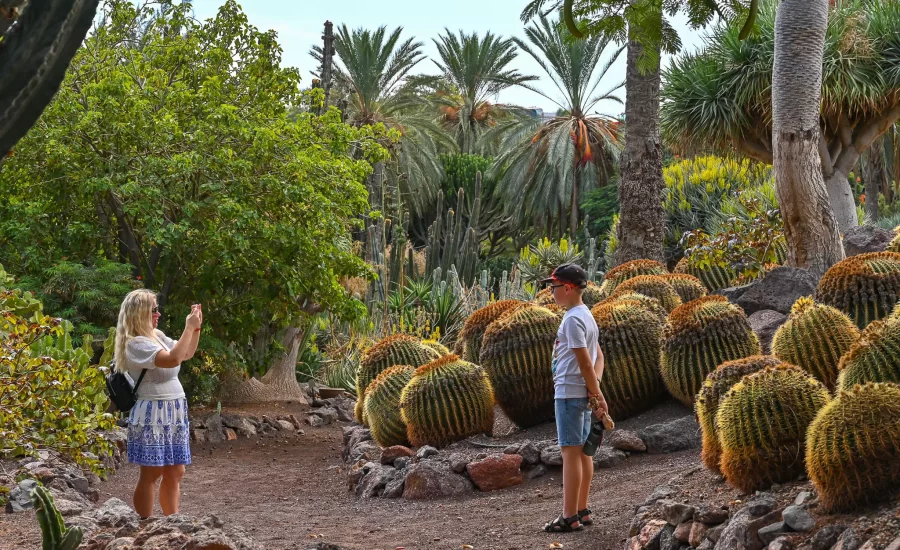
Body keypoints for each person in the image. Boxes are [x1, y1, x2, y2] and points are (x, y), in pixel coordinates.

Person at [113, 289, 202, 518]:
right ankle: (144, 524)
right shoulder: (135, 344)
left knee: (175, 471)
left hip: (174, 410)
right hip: (152, 412)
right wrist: (188, 327)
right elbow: (171, 359)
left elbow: (186, 353)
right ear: (139, 313)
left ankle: (172, 522)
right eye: (153, 309)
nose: (158, 313)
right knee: (151, 473)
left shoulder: (157, 335)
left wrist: (196, 327)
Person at [541, 263, 607, 533]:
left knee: (570, 453)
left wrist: (598, 394)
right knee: (583, 452)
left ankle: (569, 516)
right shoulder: (585, 314)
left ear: (567, 288)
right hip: (581, 392)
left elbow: (584, 362)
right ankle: (582, 509)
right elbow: (598, 357)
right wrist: (595, 389)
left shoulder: (571, 320)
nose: (551, 292)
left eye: (553, 287)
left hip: (569, 393)